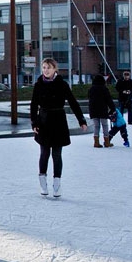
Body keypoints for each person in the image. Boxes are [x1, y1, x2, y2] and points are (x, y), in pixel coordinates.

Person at [30, 58, 87, 198]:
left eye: (49, 67)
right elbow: (33, 105)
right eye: (44, 67)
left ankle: (57, 184)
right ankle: (43, 182)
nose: (46, 70)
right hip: (43, 121)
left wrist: (81, 120)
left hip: (58, 121)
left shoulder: (62, 84)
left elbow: (73, 102)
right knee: (44, 153)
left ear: (55, 69)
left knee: (57, 154)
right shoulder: (38, 85)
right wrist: (34, 123)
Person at [87, 74, 117, 148]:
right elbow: (109, 99)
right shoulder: (104, 89)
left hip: (93, 110)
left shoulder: (91, 89)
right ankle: (107, 142)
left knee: (96, 126)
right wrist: (112, 108)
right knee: (105, 125)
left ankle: (96, 142)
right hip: (102, 109)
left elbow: (89, 99)